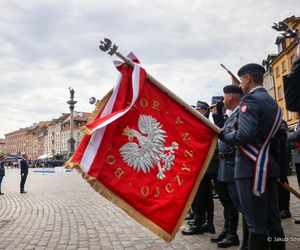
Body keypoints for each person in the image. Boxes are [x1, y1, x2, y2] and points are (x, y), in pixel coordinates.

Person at [220, 63, 285, 250]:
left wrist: (223, 135)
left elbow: (243, 135)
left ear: (247, 78)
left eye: (241, 81)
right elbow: (279, 137)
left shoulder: (249, 101)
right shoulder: (272, 102)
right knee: (273, 222)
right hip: (267, 167)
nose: (240, 85)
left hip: (250, 169)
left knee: (255, 224)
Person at [211, 85, 242, 248]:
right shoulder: (230, 115)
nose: (223, 100)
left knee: (232, 202)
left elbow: (232, 136)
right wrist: (218, 117)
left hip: (232, 162)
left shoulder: (240, 113)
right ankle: (227, 229)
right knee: (225, 200)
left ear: (230, 96)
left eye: (224, 97)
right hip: (224, 164)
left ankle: (232, 234)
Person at [182, 101, 218, 235]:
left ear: (204, 111)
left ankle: (200, 222)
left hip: (206, 167)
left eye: (198, 110)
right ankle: (206, 222)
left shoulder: (206, 124)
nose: (196, 112)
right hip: (203, 166)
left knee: (201, 196)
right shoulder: (201, 124)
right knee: (205, 196)